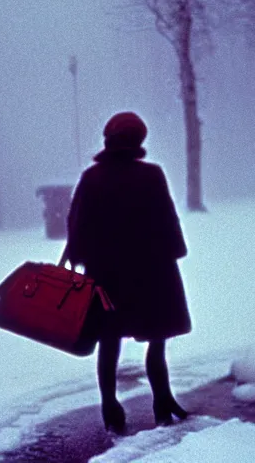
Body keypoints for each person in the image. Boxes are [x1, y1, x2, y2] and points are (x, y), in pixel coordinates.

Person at [65, 111, 191, 434]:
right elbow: (169, 226)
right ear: (138, 141)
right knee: (157, 340)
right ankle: (162, 401)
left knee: (109, 342)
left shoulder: (92, 178)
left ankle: (110, 407)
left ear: (109, 141)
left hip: (108, 278)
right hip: (153, 275)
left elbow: (76, 230)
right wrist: (171, 252)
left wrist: (84, 256)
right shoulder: (152, 176)